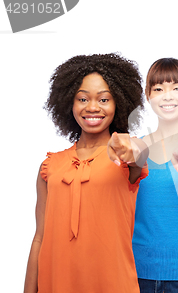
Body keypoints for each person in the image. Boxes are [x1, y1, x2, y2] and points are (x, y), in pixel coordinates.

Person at [23, 53, 148, 293]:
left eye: (104, 100)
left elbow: (140, 155)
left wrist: (130, 147)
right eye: (82, 99)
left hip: (113, 284)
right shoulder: (50, 166)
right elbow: (39, 237)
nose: (92, 107)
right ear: (69, 104)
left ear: (118, 104)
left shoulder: (123, 158)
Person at [108, 57, 178, 293]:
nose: (167, 96)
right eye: (158, 89)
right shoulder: (136, 147)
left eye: (177, 88)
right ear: (148, 96)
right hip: (140, 274)